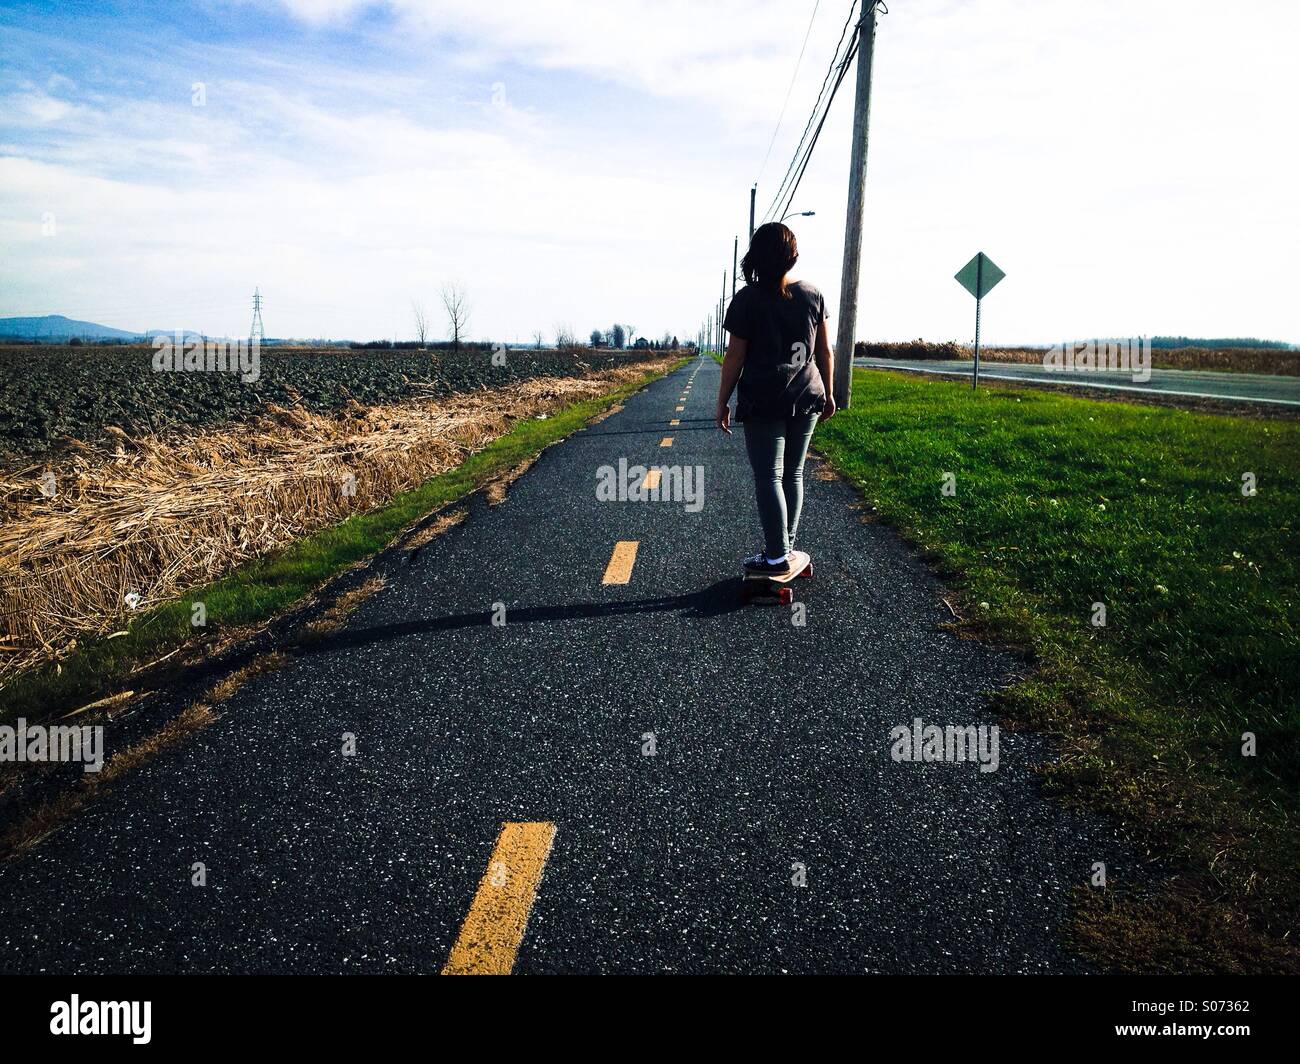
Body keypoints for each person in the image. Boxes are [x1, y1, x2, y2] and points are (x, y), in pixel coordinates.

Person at [715, 222, 835, 574]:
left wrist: (722, 401)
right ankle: (783, 549)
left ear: (756, 256)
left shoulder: (747, 300)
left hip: (763, 399)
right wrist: (829, 393)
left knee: (769, 476)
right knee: (792, 475)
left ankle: (777, 554)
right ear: (791, 258)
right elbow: (825, 351)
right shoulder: (813, 294)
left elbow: (735, 357)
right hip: (806, 395)